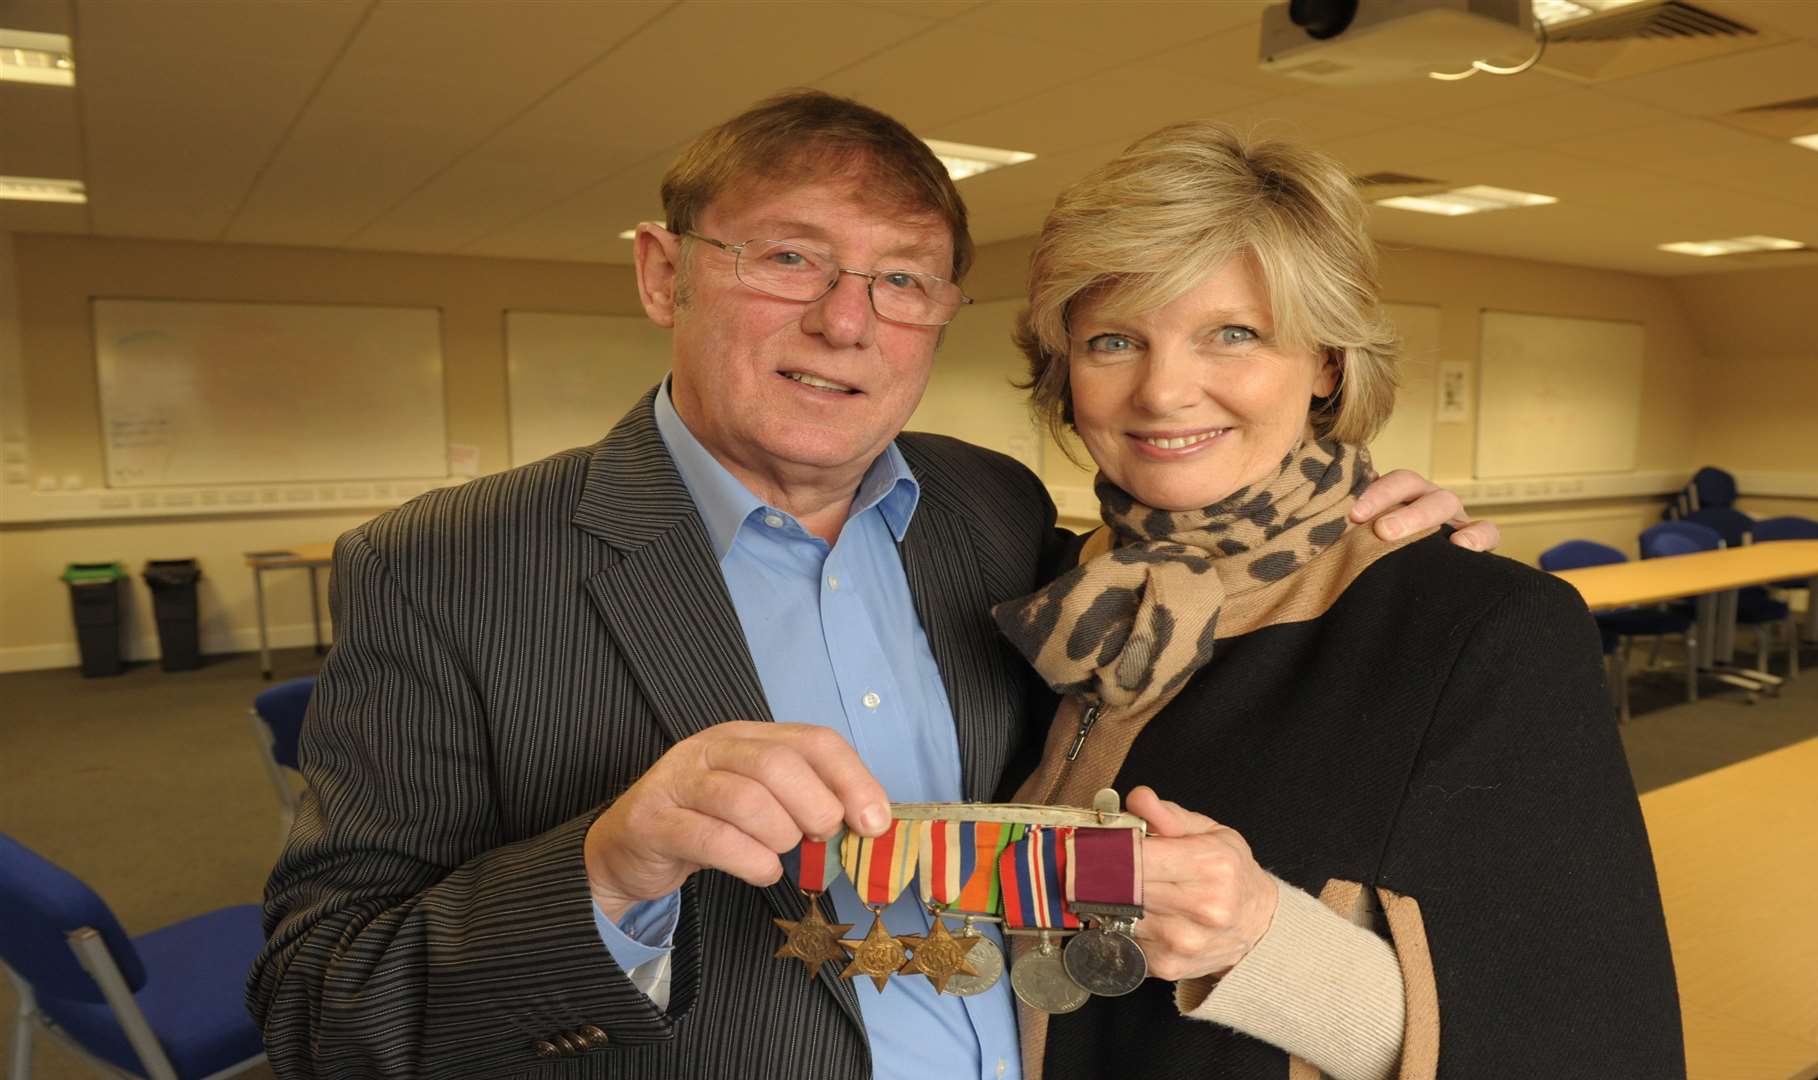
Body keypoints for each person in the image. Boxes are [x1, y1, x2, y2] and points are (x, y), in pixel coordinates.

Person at [245, 92, 1492, 1079]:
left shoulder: (994, 514)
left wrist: (1367, 533)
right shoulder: (444, 569)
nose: (849, 322)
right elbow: (318, 1009)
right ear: (663, 274)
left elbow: (1191, 599)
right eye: (790, 258)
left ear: (943, 310)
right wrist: (610, 866)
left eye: (901, 278)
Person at [991, 122, 1684, 1080]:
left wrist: (1263, 940)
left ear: (1324, 363)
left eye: (1232, 334)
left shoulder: (1480, 627)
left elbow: (1588, 1041)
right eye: (1115, 341)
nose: (1162, 390)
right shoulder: (1048, 587)